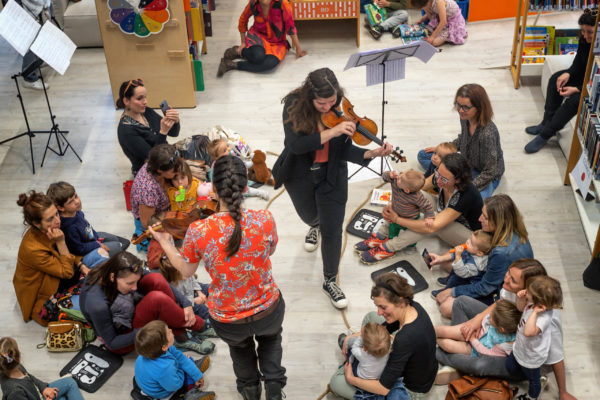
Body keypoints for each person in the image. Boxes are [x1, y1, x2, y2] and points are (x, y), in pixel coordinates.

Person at [153, 155, 286, 400]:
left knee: (240, 350)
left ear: (212, 189)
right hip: (267, 307)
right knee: (271, 342)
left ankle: (250, 390)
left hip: (228, 316)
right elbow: (270, 251)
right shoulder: (264, 219)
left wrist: (164, 242)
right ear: (246, 188)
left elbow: (186, 271)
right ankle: (275, 388)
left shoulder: (199, 230)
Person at [271, 67, 393, 308]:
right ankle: (314, 226)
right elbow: (295, 146)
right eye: (322, 103)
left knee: (333, 229)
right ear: (310, 97)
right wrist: (333, 131)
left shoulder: (341, 107)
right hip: (300, 174)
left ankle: (330, 280)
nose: (329, 107)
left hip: (332, 175)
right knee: (310, 217)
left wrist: (370, 152)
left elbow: (344, 148)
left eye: (332, 101)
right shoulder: (294, 106)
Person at [436, 259, 577, 400]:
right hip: (503, 329)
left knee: (479, 365)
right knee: (461, 302)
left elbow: (557, 357)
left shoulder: (547, 319)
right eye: (508, 273)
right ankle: (462, 359)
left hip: (521, 359)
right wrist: (476, 320)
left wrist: (563, 391)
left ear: (528, 288)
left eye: (513, 280)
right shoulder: (515, 291)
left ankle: (444, 355)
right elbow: (501, 302)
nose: (506, 279)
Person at [80, 251, 212, 355]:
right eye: (130, 283)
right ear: (112, 277)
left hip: (128, 308)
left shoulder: (119, 268)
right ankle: (198, 326)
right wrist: (153, 328)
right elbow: (113, 343)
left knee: (156, 278)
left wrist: (186, 303)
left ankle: (179, 333)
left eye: (136, 281)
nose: (135, 287)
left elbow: (156, 280)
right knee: (156, 299)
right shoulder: (97, 304)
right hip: (123, 337)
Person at [330, 273, 437, 399]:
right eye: (378, 306)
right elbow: (385, 328)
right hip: (423, 368)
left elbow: (383, 388)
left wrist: (351, 378)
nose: (379, 312)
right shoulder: (413, 306)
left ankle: (358, 360)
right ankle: (359, 350)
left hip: (409, 390)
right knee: (371, 317)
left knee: (336, 382)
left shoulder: (404, 339)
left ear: (401, 301)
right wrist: (359, 335)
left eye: (383, 307)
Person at [368, 153, 483, 264]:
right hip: (443, 211)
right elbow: (416, 187)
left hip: (471, 235)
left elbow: (432, 228)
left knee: (427, 224)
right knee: (414, 195)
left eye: (444, 179)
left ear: (458, 180)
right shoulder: (442, 176)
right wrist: (393, 204)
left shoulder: (467, 195)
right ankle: (384, 232)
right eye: (437, 174)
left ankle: (390, 247)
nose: (438, 180)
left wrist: (397, 219)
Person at [432, 194, 533, 317]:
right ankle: (456, 281)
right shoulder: (512, 230)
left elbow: (485, 288)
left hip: (501, 293)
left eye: (484, 217)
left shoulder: (502, 253)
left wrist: (453, 291)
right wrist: (442, 258)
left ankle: (456, 284)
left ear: (498, 221)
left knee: (446, 307)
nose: (479, 219)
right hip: (491, 273)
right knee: (448, 261)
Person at [524, 9, 596, 154]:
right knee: (556, 79)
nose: (585, 35)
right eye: (583, 31)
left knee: (574, 101)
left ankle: (545, 134)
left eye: (590, 32)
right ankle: (546, 122)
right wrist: (568, 73)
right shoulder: (584, 39)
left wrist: (578, 89)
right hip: (585, 78)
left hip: (595, 88)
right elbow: (579, 63)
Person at [13, 191, 88, 326]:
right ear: (36, 223)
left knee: (97, 276)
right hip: (42, 297)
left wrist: (82, 265)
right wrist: (61, 242)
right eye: (50, 219)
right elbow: (67, 272)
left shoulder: (49, 229)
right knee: (90, 307)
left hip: (57, 276)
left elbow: (68, 254)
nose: (58, 221)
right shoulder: (33, 249)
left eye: (56, 214)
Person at [418, 84, 504, 199]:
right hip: (466, 164)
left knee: (472, 201)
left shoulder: (487, 134)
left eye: (466, 107)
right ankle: (444, 178)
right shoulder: (465, 118)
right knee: (423, 155)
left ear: (479, 107)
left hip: (484, 174)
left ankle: (445, 181)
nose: (460, 110)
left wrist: (463, 188)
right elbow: (463, 138)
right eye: (458, 105)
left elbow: (490, 171)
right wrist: (442, 150)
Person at [355, 169, 434, 264]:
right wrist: (389, 174)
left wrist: (429, 217)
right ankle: (385, 239)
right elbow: (384, 177)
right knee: (392, 230)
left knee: (411, 236)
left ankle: (409, 246)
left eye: (400, 178)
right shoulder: (396, 182)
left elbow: (428, 206)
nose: (398, 177)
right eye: (401, 174)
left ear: (407, 190)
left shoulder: (417, 197)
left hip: (410, 220)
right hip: (395, 214)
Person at [507, 276, 563, 400]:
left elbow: (528, 332)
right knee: (510, 367)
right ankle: (531, 376)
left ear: (539, 302)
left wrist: (535, 313)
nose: (526, 291)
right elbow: (520, 308)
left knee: (534, 382)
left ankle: (532, 396)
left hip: (531, 357)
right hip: (520, 347)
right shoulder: (532, 304)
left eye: (529, 292)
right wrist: (521, 299)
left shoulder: (544, 317)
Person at [47, 181, 130, 264]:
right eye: (71, 202)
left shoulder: (76, 212)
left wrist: (94, 238)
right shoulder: (69, 228)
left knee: (115, 240)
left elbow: (86, 227)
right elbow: (78, 249)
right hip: (84, 253)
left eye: (76, 196)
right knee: (118, 246)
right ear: (61, 208)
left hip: (89, 240)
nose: (77, 201)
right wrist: (96, 245)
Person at [217, 0, 307, 77]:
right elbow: (243, 19)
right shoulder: (253, 3)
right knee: (258, 57)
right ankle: (239, 51)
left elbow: (290, 28)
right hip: (257, 36)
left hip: (277, 43)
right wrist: (243, 42)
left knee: (270, 64)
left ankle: (231, 64)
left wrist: (298, 49)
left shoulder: (283, 4)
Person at [132, 321, 215, 400]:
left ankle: (193, 369)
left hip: (162, 378)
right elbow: (176, 385)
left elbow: (180, 357)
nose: (171, 330)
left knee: (184, 358)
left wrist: (197, 375)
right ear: (164, 346)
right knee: (185, 369)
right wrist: (180, 367)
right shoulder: (164, 368)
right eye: (168, 332)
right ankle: (191, 392)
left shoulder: (155, 350)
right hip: (163, 391)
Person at [116, 79, 180, 176]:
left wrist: (175, 121)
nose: (145, 101)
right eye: (139, 98)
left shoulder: (146, 111)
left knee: (201, 142)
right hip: (153, 170)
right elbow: (156, 160)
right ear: (126, 101)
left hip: (168, 156)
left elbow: (174, 133)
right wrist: (163, 132)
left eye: (145, 97)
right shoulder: (127, 131)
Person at [131, 144, 182, 252]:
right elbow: (146, 222)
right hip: (154, 222)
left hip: (165, 213)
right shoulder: (147, 189)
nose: (178, 173)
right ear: (159, 171)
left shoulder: (158, 167)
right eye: (174, 172)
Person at [0, 337, 84, 400]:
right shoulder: (14, 392)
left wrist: (44, 388)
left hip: (37, 392)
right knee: (62, 398)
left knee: (69, 382)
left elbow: (30, 378)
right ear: (18, 358)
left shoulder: (17, 366)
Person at [435, 299, 520, 357]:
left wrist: (473, 340)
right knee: (443, 330)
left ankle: (432, 340)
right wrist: (479, 326)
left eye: (492, 317)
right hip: (476, 333)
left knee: (447, 344)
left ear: (501, 329)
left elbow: (486, 353)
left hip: (474, 349)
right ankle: (426, 331)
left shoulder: (505, 344)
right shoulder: (496, 319)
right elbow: (485, 320)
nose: (489, 315)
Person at [429, 229, 492, 298]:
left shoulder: (476, 265)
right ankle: (449, 280)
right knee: (454, 269)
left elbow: (462, 273)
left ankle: (447, 289)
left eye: (471, 243)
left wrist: (458, 255)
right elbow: (457, 254)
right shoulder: (472, 250)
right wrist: (443, 258)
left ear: (479, 253)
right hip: (462, 270)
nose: (467, 242)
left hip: (467, 279)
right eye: (469, 238)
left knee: (456, 278)